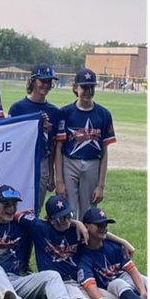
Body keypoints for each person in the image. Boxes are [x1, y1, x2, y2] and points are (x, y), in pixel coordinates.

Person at [13, 195, 117, 299]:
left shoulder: (75, 230)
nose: (67, 220)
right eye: (62, 218)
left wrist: (124, 242)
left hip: (78, 280)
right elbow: (14, 216)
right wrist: (22, 214)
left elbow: (99, 233)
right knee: (79, 298)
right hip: (59, 283)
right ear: (50, 220)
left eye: (69, 215)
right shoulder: (39, 227)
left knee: (107, 297)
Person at [8, 63, 61, 273]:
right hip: (21, 163)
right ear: (33, 81)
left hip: (41, 163)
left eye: (49, 82)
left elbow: (53, 145)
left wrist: (52, 175)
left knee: (33, 214)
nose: (46, 85)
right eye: (42, 81)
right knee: (13, 209)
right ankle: (11, 257)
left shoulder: (53, 112)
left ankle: (25, 261)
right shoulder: (18, 108)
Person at [54, 68, 116, 219]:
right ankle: (72, 241)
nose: (88, 91)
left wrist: (101, 185)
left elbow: (104, 152)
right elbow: (59, 148)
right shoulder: (66, 112)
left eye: (91, 87)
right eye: (84, 87)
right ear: (75, 88)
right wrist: (59, 181)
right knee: (69, 209)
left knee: (88, 211)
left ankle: (86, 241)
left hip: (92, 163)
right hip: (70, 162)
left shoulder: (104, 114)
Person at [77, 207, 148, 299]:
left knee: (144, 280)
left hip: (124, 278)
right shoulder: (84, 258)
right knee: (117, 283)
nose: (103, 228)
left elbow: (132, 270)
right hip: (109, 287)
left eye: (105, 225)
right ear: (86, 227)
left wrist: (143, 291)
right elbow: (90, 287)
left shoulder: (113, 246)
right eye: (99, 225)